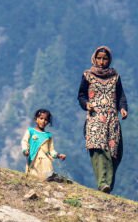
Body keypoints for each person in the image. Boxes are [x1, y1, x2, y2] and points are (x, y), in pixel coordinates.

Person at [77, 46, 128, 192]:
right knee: (98, 149)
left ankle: (108, 186)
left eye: (105, 59)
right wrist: (87, 104)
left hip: (112, 119)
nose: (101, 61)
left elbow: (121, 96)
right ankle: (102, 183)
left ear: (109, 60)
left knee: (114, 152)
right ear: (94, 58)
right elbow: (81, 95)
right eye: (99, 58)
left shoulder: (115, 77)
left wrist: (123, 108)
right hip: (95, 118)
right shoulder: (88, 75)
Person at [20, 108, 66, 180]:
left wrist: (58, 155)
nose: (43, 121)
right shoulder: (31, 131)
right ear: (36, 119)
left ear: (48, 122)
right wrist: (25, 150)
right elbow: (24, 141)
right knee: (33, 177)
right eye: (41, 118)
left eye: (46, 120)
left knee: (47, 175)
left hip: (45, 160)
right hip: (33, 159)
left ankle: (53, 178)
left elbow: (51, 151)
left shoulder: (48, 136)